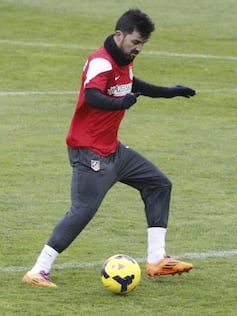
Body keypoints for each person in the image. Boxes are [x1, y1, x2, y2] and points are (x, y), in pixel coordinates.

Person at [23, 8, 196, 288]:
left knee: (158, 184)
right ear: (119, 34)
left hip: (113, 150)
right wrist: (120, 103)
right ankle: (38, 270)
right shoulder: (100, 62)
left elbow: (131, 84)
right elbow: (92, 96)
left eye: (142, 44)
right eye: (135, 42)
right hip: (89, 151)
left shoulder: (123, 59)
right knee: (82, 211)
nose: (138, 49)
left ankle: (156, 259)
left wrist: (169, 91)